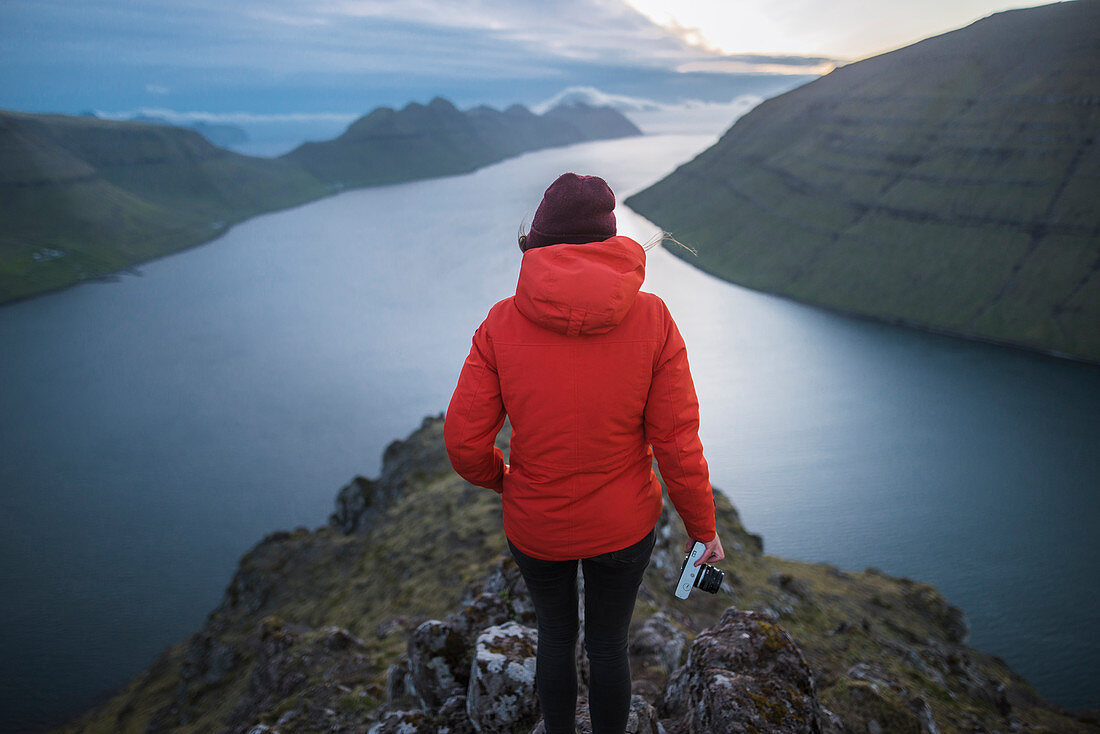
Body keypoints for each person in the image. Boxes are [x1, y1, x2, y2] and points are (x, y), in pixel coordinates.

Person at [444, 172, 723, 734]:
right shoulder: (654, 318)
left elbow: (463, 442)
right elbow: (676, 441)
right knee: (608, 644)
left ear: (537, 242)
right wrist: (702, 529)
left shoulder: (501, 322)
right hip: (623, 526)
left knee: (555, 635)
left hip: (537, 522)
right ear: (610, 240)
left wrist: (507, 480)